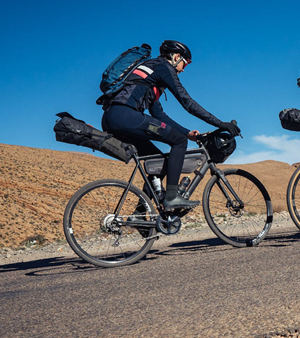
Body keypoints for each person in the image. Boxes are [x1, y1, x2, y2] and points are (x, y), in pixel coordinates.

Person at [101, 40, 240, 210]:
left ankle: (139, 214)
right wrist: (220, 123)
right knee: (179, 141)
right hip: (125, 116)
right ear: (176, 57)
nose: (183, 69)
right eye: (185, 63)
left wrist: (187, 132)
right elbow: (187, 102)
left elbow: (158, 114)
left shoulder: (151, 74)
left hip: (115, 118)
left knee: (158, 163)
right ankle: (172, 197)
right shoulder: (163, 67)